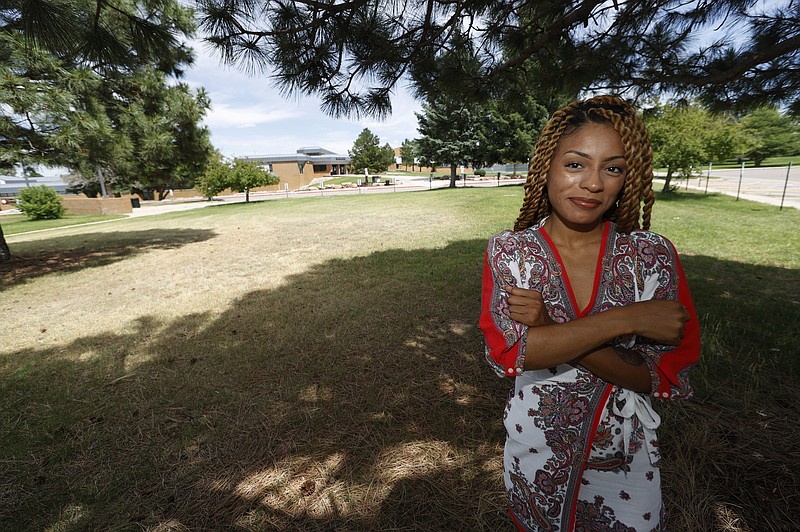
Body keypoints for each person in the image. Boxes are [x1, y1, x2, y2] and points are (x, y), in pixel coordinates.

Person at [479, 95, 700, 531]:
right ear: (547, 167)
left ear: (627, 178)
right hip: (535, 455)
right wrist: (627, 319)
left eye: (613, 168)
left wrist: (550, 332)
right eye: (576, 164)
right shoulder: (512, 252)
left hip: (628, 460)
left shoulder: (651, 256)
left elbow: (659, 377)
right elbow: (513, 355)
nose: (593, 184)